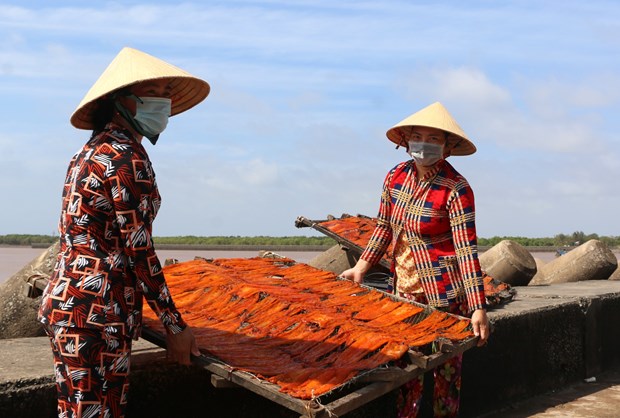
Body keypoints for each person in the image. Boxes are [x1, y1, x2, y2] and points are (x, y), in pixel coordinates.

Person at [38, 47, 210, 418]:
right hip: (97, 314)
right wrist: (174, 326)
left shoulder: (89, 152)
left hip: (73, 306)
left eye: (167, 92)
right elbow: (139, 249)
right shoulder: (126, 158)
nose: (165, 102)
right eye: (158, 91)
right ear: (126, 101)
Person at [341, 102, 490, 417]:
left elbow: (466, 249)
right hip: (404, 293)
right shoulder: (395, 177)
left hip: (444, 296)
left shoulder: (456, 188)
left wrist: (477, 307)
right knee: (406, 368)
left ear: (447, 147)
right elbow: (383, 228)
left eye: (434, 139)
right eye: (418, 137)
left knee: (445, 374)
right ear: (405, 141)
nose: (424, 144)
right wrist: (361, 268)